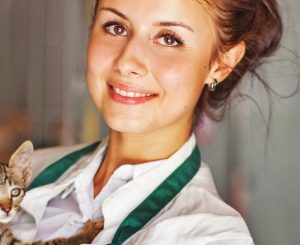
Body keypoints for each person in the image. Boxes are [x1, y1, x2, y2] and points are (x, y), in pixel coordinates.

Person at [9, 0, 282, 244]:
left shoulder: (212, 236)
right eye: (115, 27)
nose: (127, 61)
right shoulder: (29, 171)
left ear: (221, 64)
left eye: (169, 39)